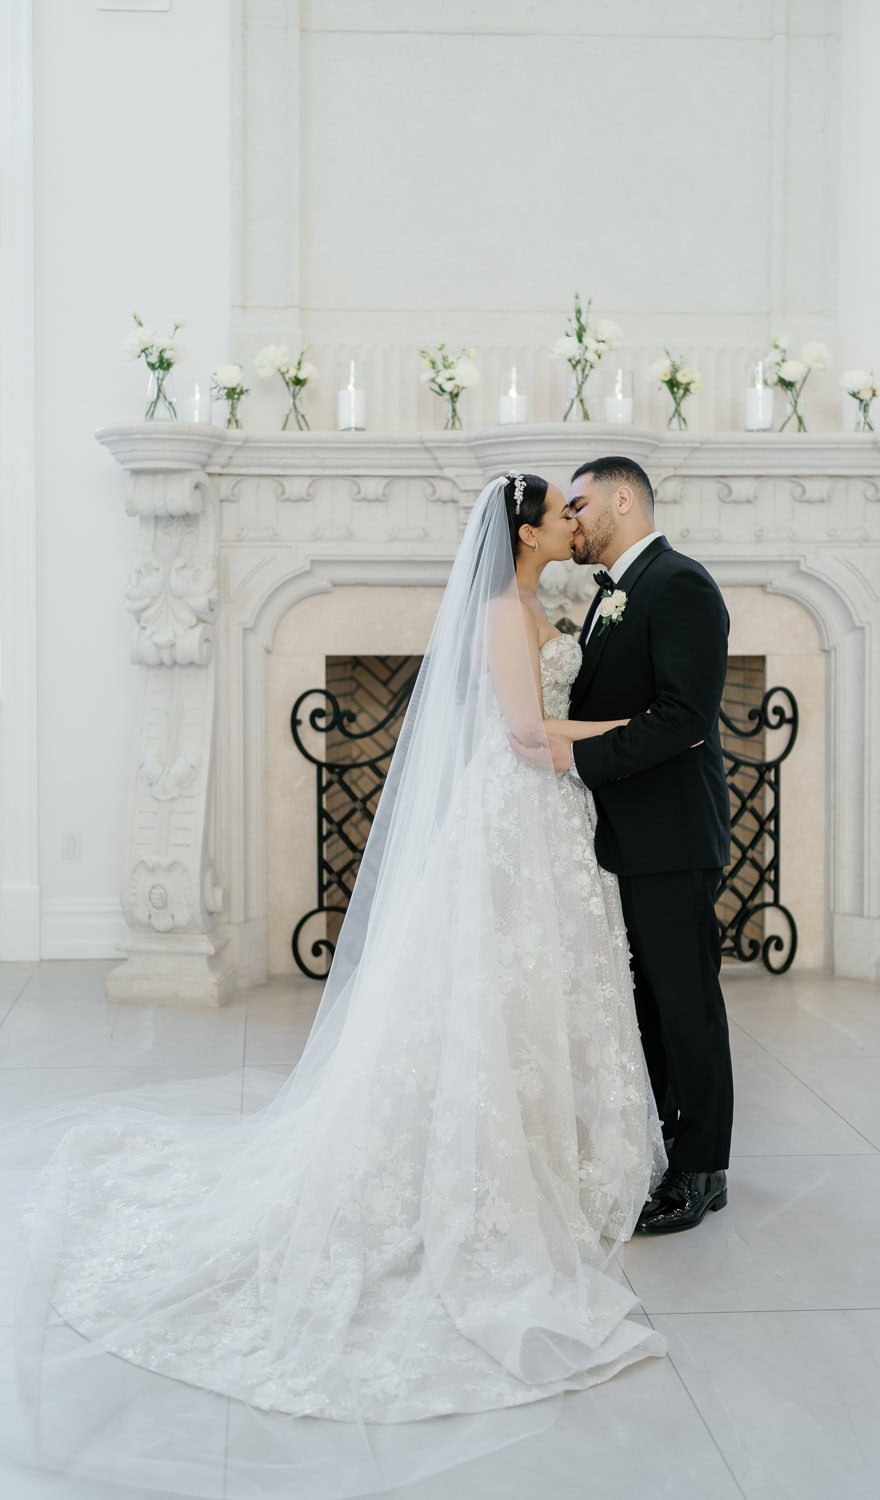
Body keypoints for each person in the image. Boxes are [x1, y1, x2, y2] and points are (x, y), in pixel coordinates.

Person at [4, 474, 666, 1500]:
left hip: (543, 826)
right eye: (559, 511)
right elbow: (528, 739)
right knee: (487, 1000)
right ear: (525, 528)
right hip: (514, 816)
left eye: (582, 510)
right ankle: (482, 1172)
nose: (574, 522)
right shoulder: (503, 610)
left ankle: (547, 1154)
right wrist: (625, 741)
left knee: (532, 1000)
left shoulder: (541, 603)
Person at [533, 456, 733, 1234]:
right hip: (622, 831)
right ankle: (661, 1146)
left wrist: (574, 756)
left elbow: (684, 718)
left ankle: (701, 1169)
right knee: (645, 1003)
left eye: (580, 504)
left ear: (625, 497)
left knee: (686, 1002)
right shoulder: (612, 595)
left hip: (672, 831)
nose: (573, 520)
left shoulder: (680, 584)